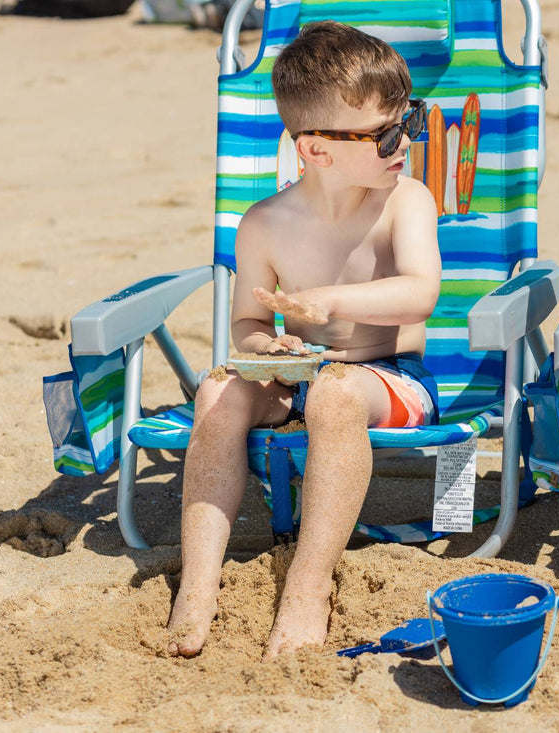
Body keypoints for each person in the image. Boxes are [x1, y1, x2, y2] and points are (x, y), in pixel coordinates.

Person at [166, 20, 441, 659]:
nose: (406, 142)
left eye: (411, 121)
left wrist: (327, 301)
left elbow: (419, 291)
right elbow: (247, 327)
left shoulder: (407, 202)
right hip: (301, 378)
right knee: (216, 393)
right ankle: (199, 586)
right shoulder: (265, 225)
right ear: (316, 150)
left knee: (336, 396)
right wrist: (270, 350)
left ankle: (308, 586)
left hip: (392, 377)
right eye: (387, 134)